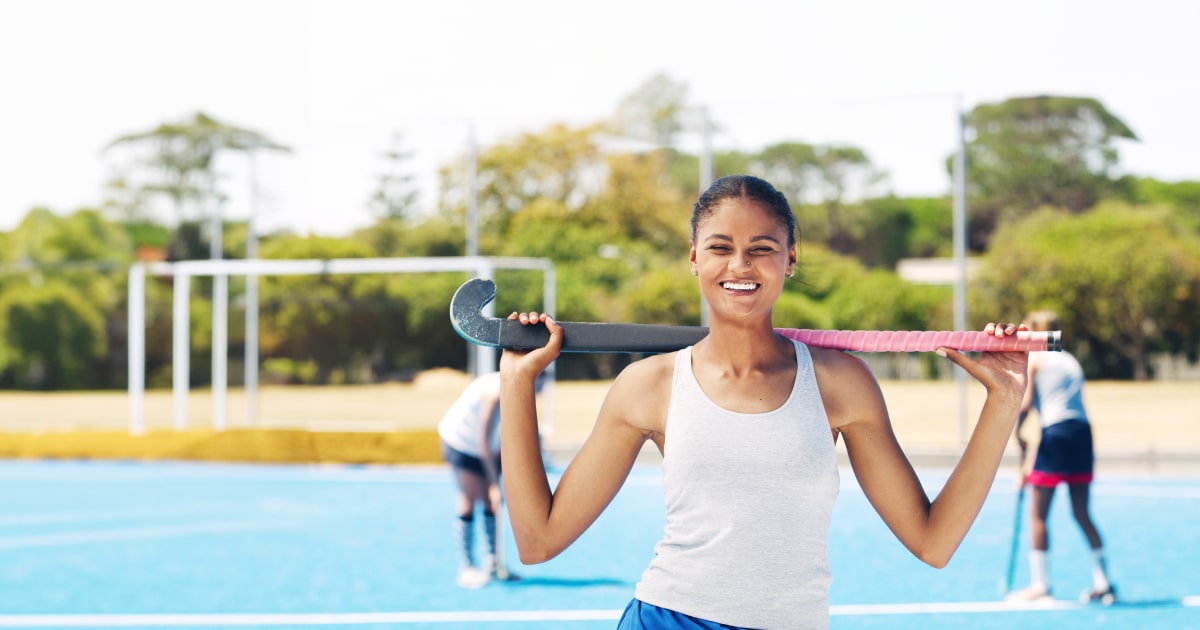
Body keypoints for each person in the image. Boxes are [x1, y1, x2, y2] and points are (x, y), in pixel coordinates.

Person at [498, 175, 1029, 629]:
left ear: (790, 259)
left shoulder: (840, 382)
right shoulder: (649, 385)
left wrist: (1003, 399)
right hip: (671, 617)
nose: (740, 265)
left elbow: (932, 543)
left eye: (762, 248)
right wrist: (517, 384)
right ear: (694, 257)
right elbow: (537, 540)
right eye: (721, 247)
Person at [1006, 309, 1116, 604]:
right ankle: (1103, 581)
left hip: (1055, 433)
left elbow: (1026, 405)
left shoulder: (1037, 360)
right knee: (1082, 512)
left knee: (1038, 515)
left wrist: (1017, 438)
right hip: (1082, 435)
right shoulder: (1069, 359)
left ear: (1038, 331)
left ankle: (1040, 585)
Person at [438, 369, 546, 589]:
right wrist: (494, 484)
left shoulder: (517, 390)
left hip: (486, 448)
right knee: (470, 497)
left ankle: (493, 563)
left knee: (491, 504)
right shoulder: (495, 390)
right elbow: (483, 440)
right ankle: (466, 566)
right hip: (462, 443)